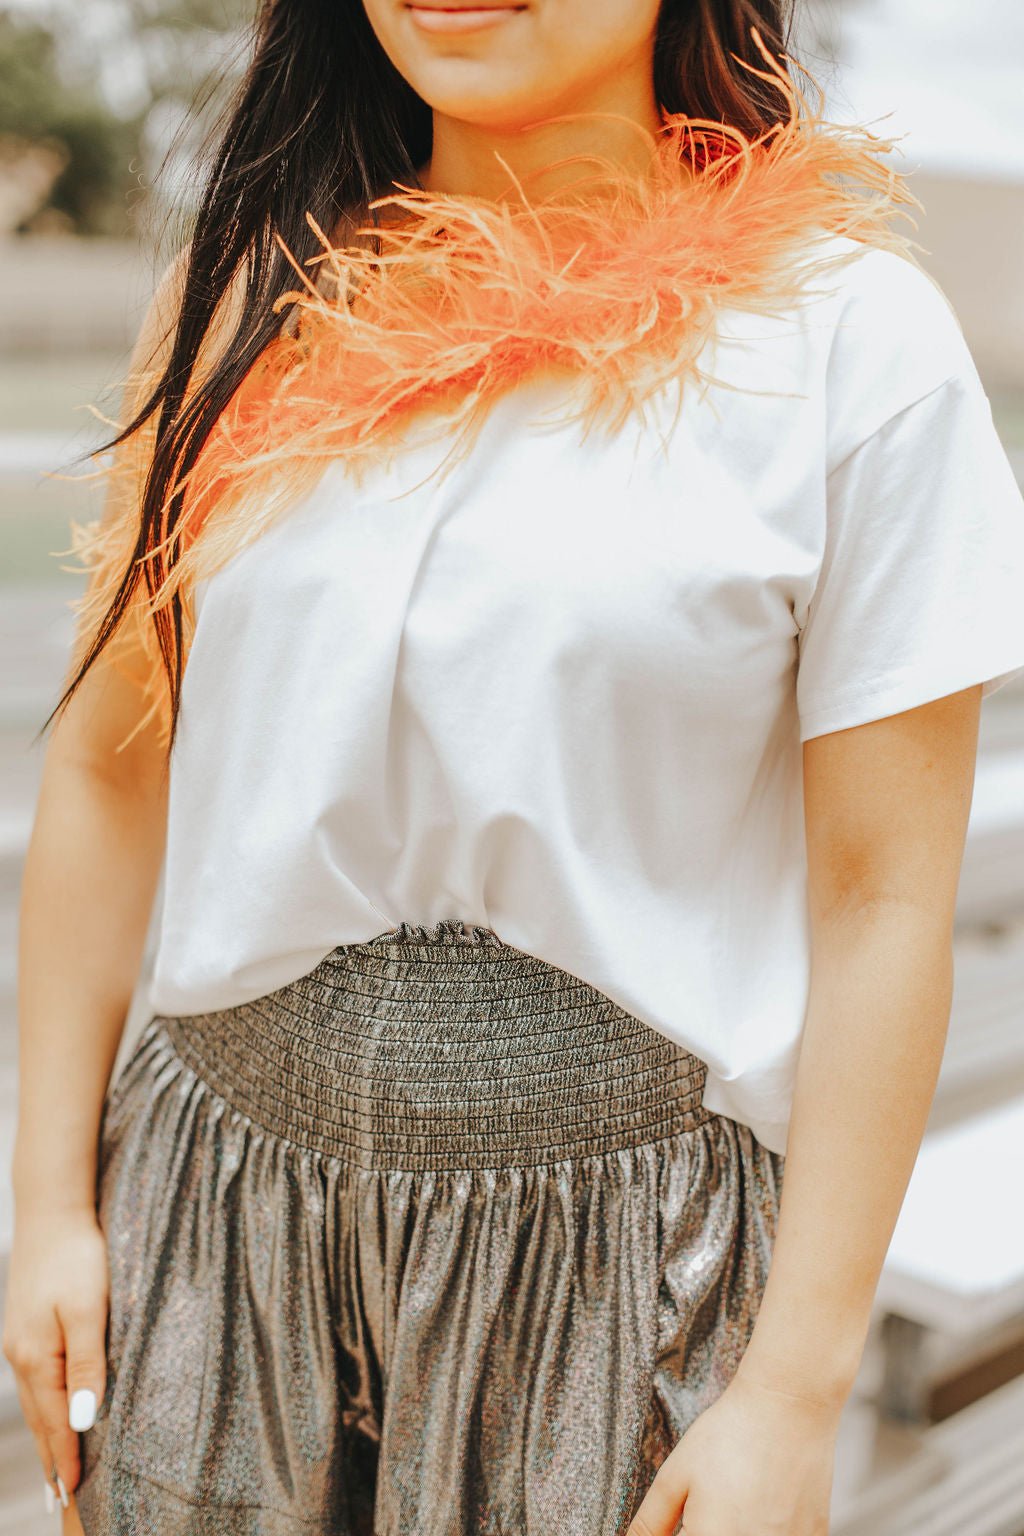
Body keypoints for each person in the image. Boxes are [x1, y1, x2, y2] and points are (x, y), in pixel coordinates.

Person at [6, 0, 1024, 1532]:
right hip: (212, 1215)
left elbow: (883, 898)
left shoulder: (846, 340)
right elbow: (105, 768)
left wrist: (796, 1388)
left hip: (618, 1262)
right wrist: (50, 1208)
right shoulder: (236, 304)